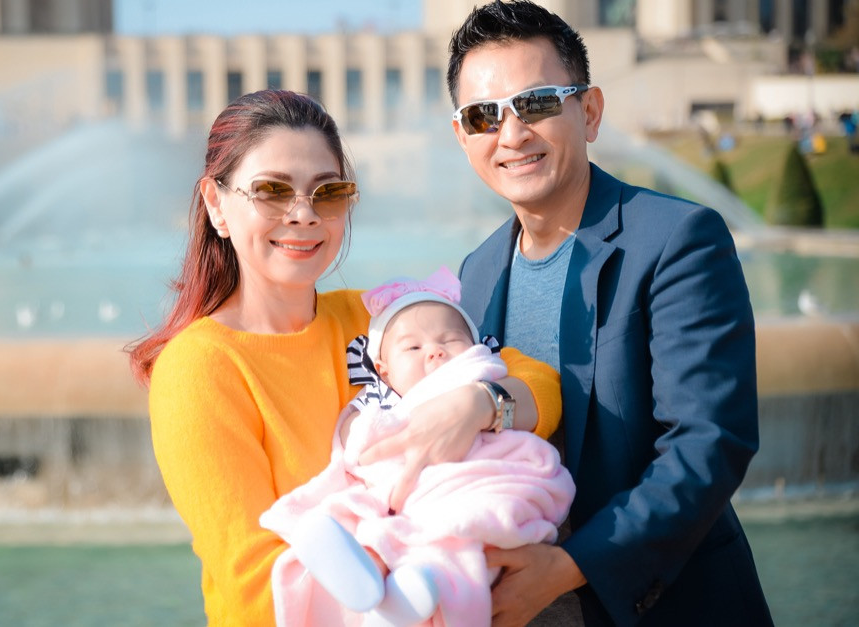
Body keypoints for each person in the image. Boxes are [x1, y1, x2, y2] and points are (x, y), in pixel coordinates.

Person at [127, 89, 561, 626]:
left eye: (327, 192)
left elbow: (536, 380)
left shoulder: (378, 320)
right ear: (216, 204)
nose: (304, 214)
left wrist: (476, 405)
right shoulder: (199, 368)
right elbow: (253, 584)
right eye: (272, 190)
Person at [446, 0, 774, 626]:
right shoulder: (477, 272)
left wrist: (569, 568)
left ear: (590, 111)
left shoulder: (678, 239)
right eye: (483, 115)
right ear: (463, 137)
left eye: (537, 103)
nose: (511, 135)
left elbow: (709, 444)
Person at [260, 267, 573, 626]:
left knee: (461, 532)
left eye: (451, 340)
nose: (436, 352)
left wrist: (481, 402)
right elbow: (359, 443)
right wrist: (364, 431)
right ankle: (367, 577)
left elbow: (541, 382)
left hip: (477, 483)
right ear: (384, 370)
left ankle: (412, 593)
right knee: (364, 517)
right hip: (405, 498)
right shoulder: (381, 402)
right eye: (413, 347)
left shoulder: (485, 374)